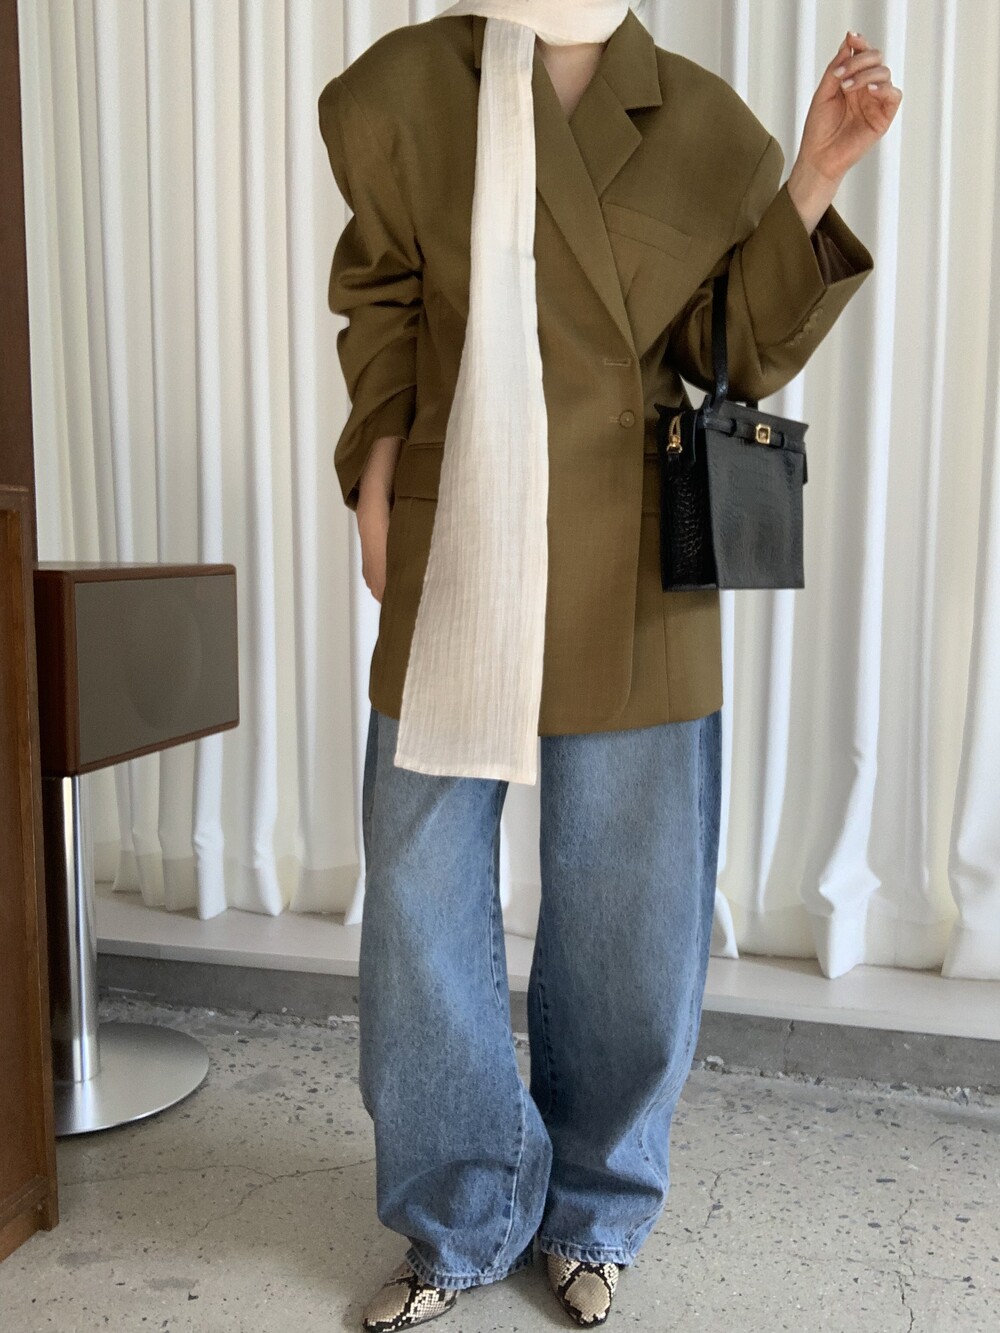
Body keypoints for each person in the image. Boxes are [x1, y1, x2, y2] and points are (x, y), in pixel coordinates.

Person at [317, 4, 900, 1328]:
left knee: (632, 909)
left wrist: (816, 175)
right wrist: (375, 470)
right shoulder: (409, 89)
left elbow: (726, 358)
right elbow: (383, 299)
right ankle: (462, 1213)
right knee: (416, 899)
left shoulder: (703, 122)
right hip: (458, 529)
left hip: (635, 547)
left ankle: (594, 1208)